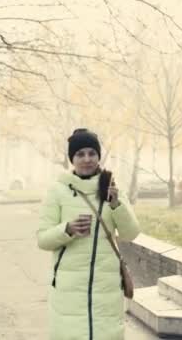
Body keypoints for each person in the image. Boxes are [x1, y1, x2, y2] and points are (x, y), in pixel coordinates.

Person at [37, 128, 140, 340]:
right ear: (72, 159)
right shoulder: (57, 191)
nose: (87, 159)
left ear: (98, 156)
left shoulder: (111, 188)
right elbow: (43, 239)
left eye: (92, 153)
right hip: (69, 289)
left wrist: (116, 204)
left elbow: (130, 234)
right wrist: (67, 229)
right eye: (80, 154)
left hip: (107, 288)